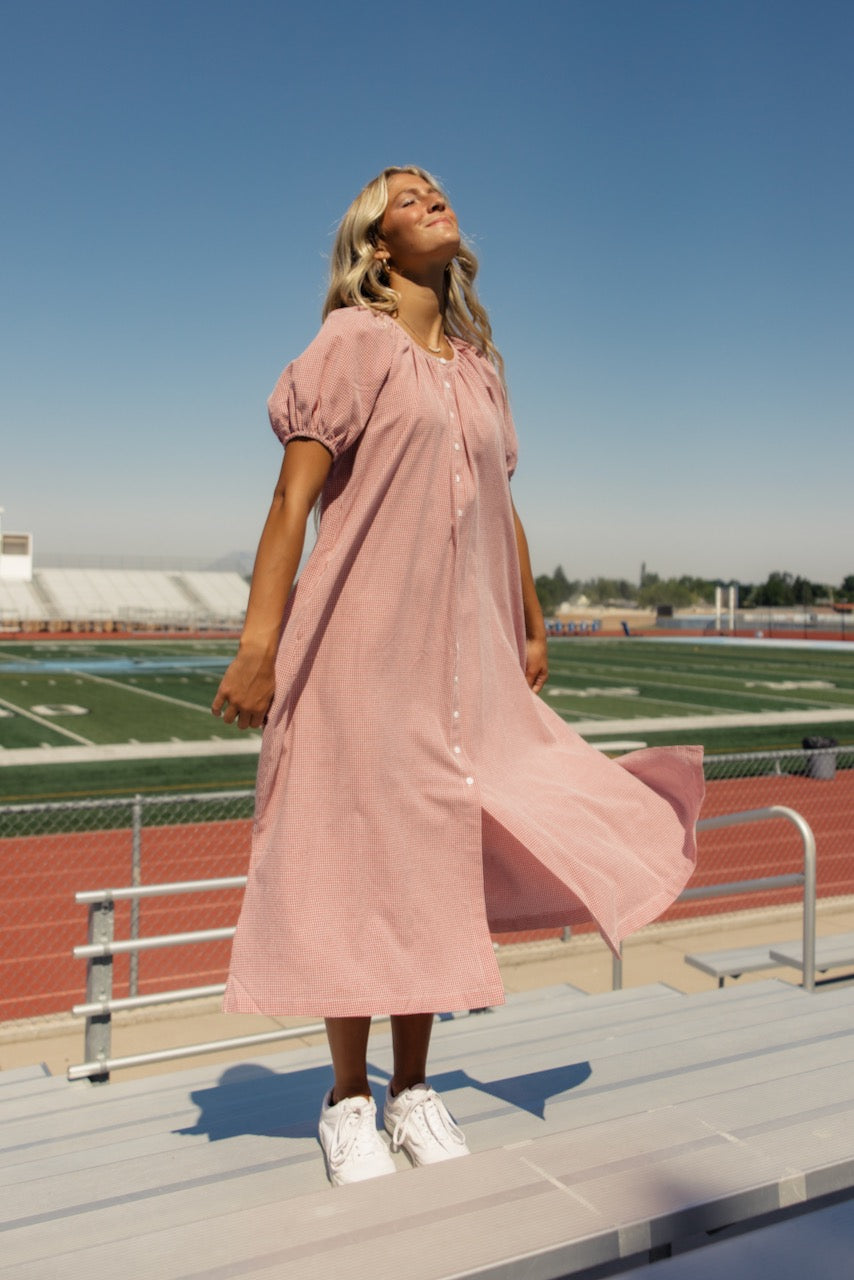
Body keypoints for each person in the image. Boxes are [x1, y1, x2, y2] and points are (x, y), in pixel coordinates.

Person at [212, 166, 704, 1187]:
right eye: (404, 193)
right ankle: (347, 1099)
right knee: (351, 864)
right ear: (376, 246)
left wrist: (526, 619)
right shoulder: (350, 345)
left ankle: (413, 1087)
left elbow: (498, 504)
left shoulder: (478, 369)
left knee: (433, 865)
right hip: (354, 651)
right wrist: (259, 645)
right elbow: (289, 500)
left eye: (434, 184)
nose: (430, 192)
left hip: (454, 661)